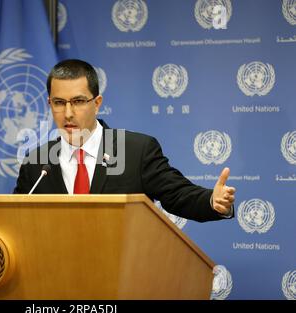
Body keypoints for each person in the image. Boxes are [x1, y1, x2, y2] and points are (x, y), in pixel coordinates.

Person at [13, 59, 235, 222]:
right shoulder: (37, 162)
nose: (68, 113)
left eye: (78, 101)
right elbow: (14, 219)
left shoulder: (136, 151)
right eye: (59, 102)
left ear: (97, 103)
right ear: (49, 103)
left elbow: (178, 195)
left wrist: (211, 201)